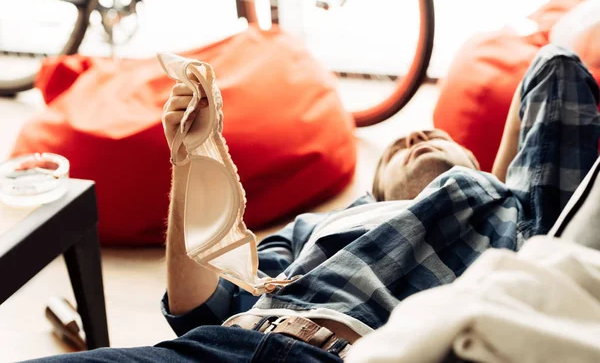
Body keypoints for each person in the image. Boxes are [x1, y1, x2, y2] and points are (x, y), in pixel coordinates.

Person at [29, 45, 600, 362]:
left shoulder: (526, 214)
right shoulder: (318, 228)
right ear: (375, 192)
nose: (415, 135)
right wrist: (191, 154)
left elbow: (557, 70)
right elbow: (198, 307)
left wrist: (492, 184)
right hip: (225, 348)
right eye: (399, 145)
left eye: (438, 139)